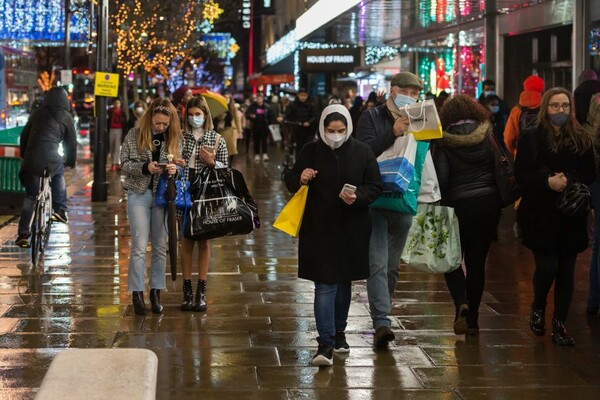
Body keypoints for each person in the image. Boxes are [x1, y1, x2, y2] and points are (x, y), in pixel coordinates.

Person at [284, 104, 382, 366]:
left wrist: (357, 196)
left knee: (344, 283)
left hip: (353, 227)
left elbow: (375, 186)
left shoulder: (362, 152)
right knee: (325, 285)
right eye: (330, 130)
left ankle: (339, 333)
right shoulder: (311, 151)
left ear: (348, 128)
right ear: (322, 129)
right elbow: (290, 180)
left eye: (340, 130)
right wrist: (301, 177)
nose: (335, 135)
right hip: (319, 228)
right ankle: (325, 342)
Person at [515, 87, 595, 346]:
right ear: (545, 108)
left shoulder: (581, 138)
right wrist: (547, 181)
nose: (560, 111)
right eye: (555, 106)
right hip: (540, 213)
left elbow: (589, 173)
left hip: (570, 213)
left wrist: (568, 181)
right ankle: (538, 307)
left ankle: (559, 324)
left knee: (567, 270)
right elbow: (522, 174)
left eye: (565, 106)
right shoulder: (531, 137)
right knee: (548, 266)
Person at [356, 71, 421, 347]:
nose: (412, 96)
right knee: (377, 263)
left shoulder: (421, 118)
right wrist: (392, 132)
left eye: (416, 92)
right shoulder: (371, 117)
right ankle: (381, 320)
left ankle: (384, 308)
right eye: (407, 90)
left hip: (403, 200)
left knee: (393, 266)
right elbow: (362, 151)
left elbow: (427, 155)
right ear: (393, 91)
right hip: (376, 198)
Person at [432, 95, 503, 335]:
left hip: (457, 208)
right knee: (476, 264)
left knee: (451, 260)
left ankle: (460, 300)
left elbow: (441, 179)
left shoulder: (443, 142)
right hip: (487, 205)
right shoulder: (488, 136)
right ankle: (473, 319)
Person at [121, 98, 182, 316]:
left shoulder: (174, 137)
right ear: (149, 119)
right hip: (138, 193)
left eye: (165, 124)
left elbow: (181, 165)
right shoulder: (134, 135)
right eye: (157, 123)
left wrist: (175, 169)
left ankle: (156, 292)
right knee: (138, 244)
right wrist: (146, 167)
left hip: (162, 196)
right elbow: (124, 164)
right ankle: (137, 292)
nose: (161, 127)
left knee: (159, 245)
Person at [179, 96, 229, 312]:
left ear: (205, 115)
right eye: (190, 115)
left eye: (198, 114)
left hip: (206, 192)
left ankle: (202, 290)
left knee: (204, 241)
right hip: (184, 190)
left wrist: (212, 162)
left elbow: (226, 170)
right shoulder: (181, 137)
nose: (194, 118)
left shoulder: (217, 138)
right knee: (186, 240)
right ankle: (187, 289)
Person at [15, 87, 77, 248]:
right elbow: (71, 143)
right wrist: (70, 161)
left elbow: (24, 136)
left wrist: (24, 155)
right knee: (58, 174)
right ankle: (60, 209)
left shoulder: (37, 113)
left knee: (30, 196)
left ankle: (22, 233)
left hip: (32, 159)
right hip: (52, 158)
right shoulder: (66, 116)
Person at [573, 78, 600, 317]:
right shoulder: (596, 113)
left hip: (592, 182)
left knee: (598, 244)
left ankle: (594, 299)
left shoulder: (578, 121)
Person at [503, 75, 545, 157]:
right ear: (542, 89)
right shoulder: (547, 108)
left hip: (522, 157)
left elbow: (508, 138)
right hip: (544, 157)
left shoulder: (516, 110)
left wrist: (515, 152)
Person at [283, 88, 316, 156]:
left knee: (308, 148)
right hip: (297, 130)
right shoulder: (293, 105)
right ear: (298, 95)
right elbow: (288, 115)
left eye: (305, 95)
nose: (303, 97)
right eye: (302, 95)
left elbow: (314, 116)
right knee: (298, 148)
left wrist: (309, 122)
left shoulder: (311, 105)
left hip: (308, 131)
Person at [245, 93, 273, 162]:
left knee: (264, 141)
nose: (259, 99)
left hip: (264, 126)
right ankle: (256, 154)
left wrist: (270, 123)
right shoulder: (252, 106)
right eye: (258, 98)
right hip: (255, 126)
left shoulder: (266, 106)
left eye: (260, 98)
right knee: (256, 141)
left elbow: (271, 115)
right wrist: (251, 116)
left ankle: (264, 154)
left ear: (263, 98)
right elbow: (247, 114)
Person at [107, 99, 124, 170]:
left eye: (118, 103)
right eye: (116, 103)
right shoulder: (110, 111)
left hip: (119, 130)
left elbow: (124, 122)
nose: (117, 104)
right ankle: (113, 163)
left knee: (117, 147)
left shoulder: (122, 112)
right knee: (112, 147)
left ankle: (116, 163)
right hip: (111, 130)